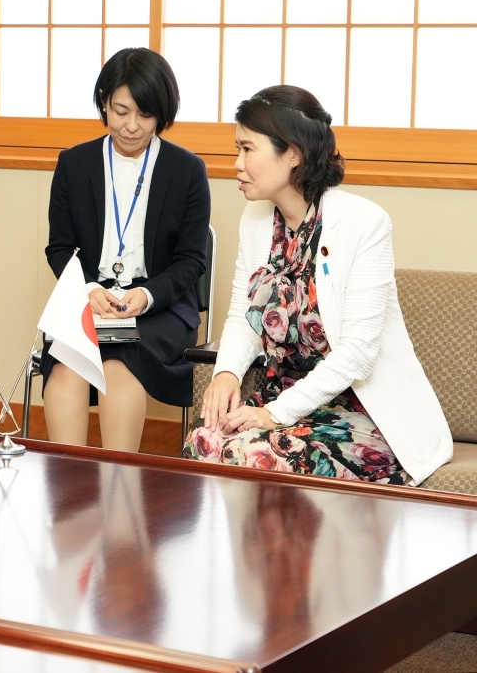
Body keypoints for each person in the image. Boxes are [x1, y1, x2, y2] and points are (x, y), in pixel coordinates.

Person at [186, 85, 451, 485]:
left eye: (247, 149)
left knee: (254, 455)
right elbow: (244, 315)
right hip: (282, 400)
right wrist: (226, 374)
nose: (237, 163)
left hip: (360, 412)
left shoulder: (363, 223)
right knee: (204, 441)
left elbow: (358, 353)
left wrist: (273, 414)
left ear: (292, 153)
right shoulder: (256, 220)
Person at [42, 47, 212, 452]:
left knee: (119, 364)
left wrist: (146, 295)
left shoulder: (187, 170)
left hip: (160, 306)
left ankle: (118, 484)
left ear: (163, 113)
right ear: (104, 102)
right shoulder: (74, 164)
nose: (132, 126)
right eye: (121, 111)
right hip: (91, 299)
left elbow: (191, 260)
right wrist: (88, 290)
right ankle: (69, 479)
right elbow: (60, 247)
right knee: (67, 368)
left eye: (145, 115)